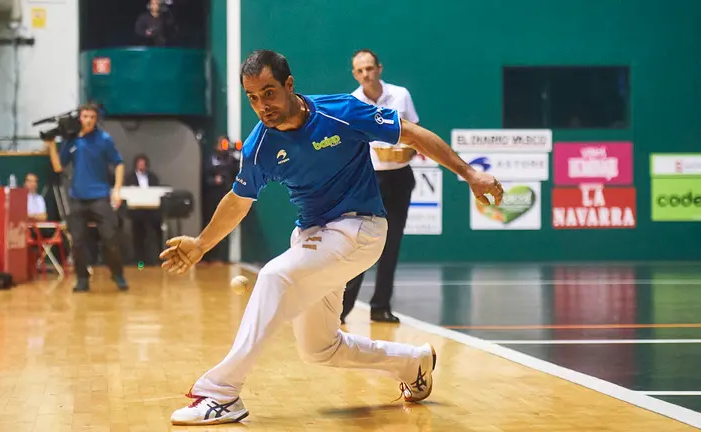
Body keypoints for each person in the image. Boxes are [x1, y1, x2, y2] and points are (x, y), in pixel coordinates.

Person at [159, 50, 503, 426]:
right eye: (253, 97)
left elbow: (413, 134)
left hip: (362, 229)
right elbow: (238, 201)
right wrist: (202, 244)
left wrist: (469, 173)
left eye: (269, 93)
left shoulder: (340, 111)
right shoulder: (261, 145)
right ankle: (412, 361)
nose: (262, 106)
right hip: (314, 238)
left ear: (289, 86)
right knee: (319, 349)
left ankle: (221, 392)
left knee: (275, 276)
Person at [341, 49, 420, 324]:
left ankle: (380, 307)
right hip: (368, 180)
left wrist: (408, 152)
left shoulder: (400, 95)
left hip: (400, 178)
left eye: (370, 68)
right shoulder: (352, 102)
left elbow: (415, 134)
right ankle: (342, 310)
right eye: (360, 70)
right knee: (361, 243)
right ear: (355, 74)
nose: (366, 74)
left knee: (392, 243)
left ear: (379, 68)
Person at [46, 104, 129, 292]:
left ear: (96, 118)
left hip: (100, 197)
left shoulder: (104, 140)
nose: (89, 120)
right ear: (80, 118)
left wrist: (116, 189)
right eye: (85, 116)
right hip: (78, 199)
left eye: (92, 116)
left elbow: (119, 164)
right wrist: (51, 145)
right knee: (77, 242)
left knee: (110, 239)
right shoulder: (72, 141)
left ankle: (118, 274)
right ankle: (82, 279)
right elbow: (59, 166)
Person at [201, 136, 240, 264]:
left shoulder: (231, 159)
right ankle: (206, 256)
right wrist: (214, 180)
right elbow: (205, 176)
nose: (223, 146)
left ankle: (219, 257)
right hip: (211, 197)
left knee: (224, 225)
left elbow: (236, 171)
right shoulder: (210, 159)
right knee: (209, 224)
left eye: (225, 144)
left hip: (225, 196)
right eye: (221, 144)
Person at [125, 154, 162, 266]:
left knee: (155, 232)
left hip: (152, 211)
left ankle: (156, 259)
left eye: (143, 163)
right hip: (137, 211)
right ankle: (139, 260)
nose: (141, 165)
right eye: (139, 163)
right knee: (138, 234)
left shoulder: (152, 177)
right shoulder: (130, 178)